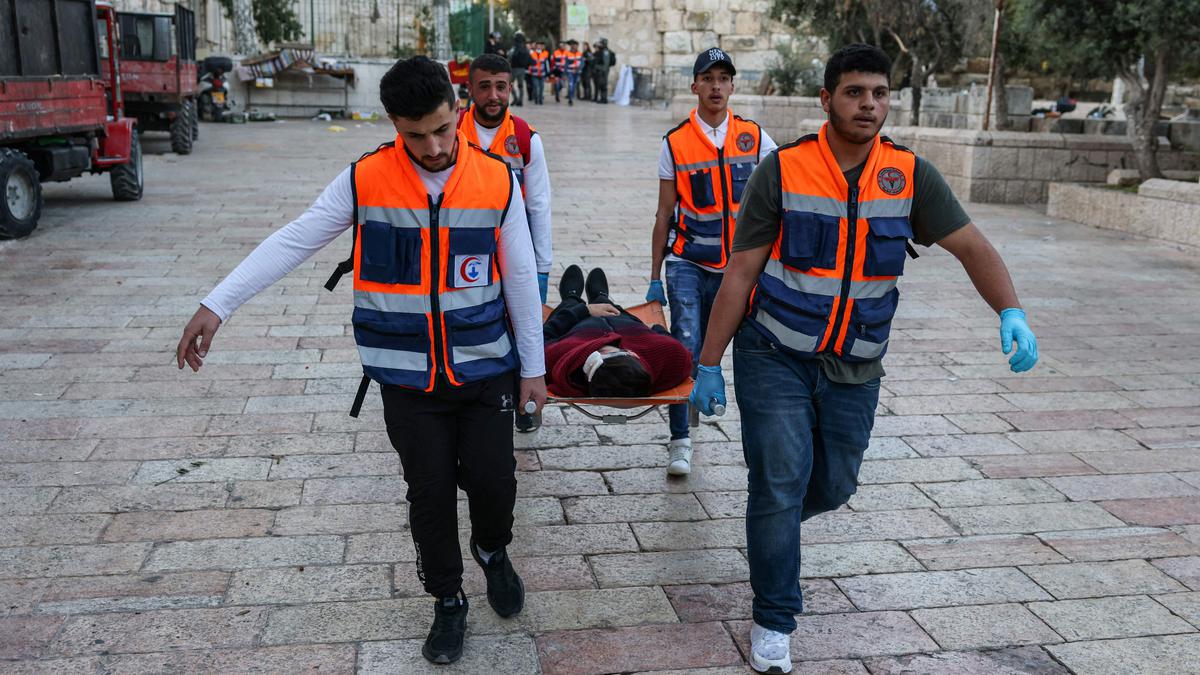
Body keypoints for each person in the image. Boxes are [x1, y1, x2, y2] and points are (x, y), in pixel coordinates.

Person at [175, 56, 546, 666]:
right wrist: (218, 303)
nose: (431, 146)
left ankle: (493, 551)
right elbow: (295, 239)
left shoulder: (498, 180)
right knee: (427, 495)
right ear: (394, 125)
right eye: (414, 134)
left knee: (494, 485)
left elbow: (524, 282)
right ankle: (448, 600)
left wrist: (533, 367)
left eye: (441, 130)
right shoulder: (364, 179)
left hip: (485, 368)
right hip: (404, 376)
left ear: (457, 111)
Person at [687, 44, 1040, 673]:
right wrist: (708, 363)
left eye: (879, 93)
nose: (868, 105)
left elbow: (972, 245)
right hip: (775, 353)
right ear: (826, 100)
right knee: (779, 479)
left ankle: (773, 529)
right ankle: (774, 620)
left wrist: (1010, 311)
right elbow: (741, 272)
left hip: (856, 365)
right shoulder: (783, 170)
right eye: (854, 93)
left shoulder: (909, 175)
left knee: (833, 485)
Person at [649, 47, 777, 476]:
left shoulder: (756, 138)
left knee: (757, 355)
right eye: (709, 78)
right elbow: (664, 212)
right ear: (695, 86)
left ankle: (760, 445)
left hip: (741, 269)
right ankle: (680, 439)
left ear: (733, 86)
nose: (717, 86)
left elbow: (784, 195)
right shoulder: (675, 142)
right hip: (688, 261)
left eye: (724, 79)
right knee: (686, 344)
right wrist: (654, 278)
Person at [458, 53, 555, 431]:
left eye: (501, 86)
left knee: (521, 328)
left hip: (516, 255)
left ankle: (525, 403)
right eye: (485, 86)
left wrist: (542, 266)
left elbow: (540, 204)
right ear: (470, 89)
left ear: (511, 88)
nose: (493, 95)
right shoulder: (453, 133)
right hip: (466, 252)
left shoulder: (526, 139)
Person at [544, 265, 692, 398]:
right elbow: (680, 351)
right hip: (623, 321)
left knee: (568, 307)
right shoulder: (672, 356)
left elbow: (545, 336)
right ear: (633, 354)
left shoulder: (561, 359)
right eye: (606, 351)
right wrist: (656, 329)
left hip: (579, 325)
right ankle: (601, 297)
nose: (600, 349)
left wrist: (584, 310)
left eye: (598, 354)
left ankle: (571, 297)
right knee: (611, 307)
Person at [508, 32, 531, 107]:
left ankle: (515, 98)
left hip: (514, 69)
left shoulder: (514, 48)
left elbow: (509, 57)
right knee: (521, 86)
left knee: (509, 84)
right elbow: (529, 59)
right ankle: (520, 101)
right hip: (522, 70)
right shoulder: (525, 49)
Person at [591, 38, 616, 103]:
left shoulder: (605, 51)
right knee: (601, 84)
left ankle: (604, 99)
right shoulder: (602, 50)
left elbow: (606, 63)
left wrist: (598, 67)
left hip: (603, 71)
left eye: (600, 43)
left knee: (603, 85)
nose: (599, 44)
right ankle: (603, 98)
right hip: (601, 70)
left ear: (603, 44)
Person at [529, 40, 549, 105]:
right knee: (536, 87)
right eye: (537, 46)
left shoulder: (544, 54)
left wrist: (547, 74)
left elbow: (546, 65)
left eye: (540, 46)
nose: (539, 47)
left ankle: (540, 100)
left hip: (542, 74)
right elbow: (529, 64)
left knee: (541, 87)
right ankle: (536, 99)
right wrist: (530, 71)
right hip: (534, 74)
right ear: (536, 47)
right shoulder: (532, 54)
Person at [565, 39, 584, 106]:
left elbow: (582, 63)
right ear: (571, 46)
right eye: (574, 45)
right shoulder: (567, 54)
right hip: (570, 72)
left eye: (576, 46)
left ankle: (571, 96)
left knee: (574, 86)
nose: (575, 47)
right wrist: (566, 73)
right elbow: (566, 64)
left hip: (577, 72)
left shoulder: (580, 54)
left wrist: (578, 69)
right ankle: (570, 99)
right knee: (571, 85)